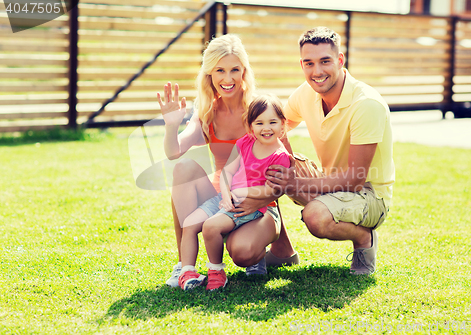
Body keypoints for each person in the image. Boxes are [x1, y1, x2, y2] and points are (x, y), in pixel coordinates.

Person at [157, 34, 297, 288]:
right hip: (219, 197)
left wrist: (262, 197)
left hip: (258, 202)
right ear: (209, 73)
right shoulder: (207, 112)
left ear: (244, 71)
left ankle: (257, 252)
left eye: (235, 70)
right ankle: (184, 267)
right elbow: (174, 151)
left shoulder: (261, 111)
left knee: (242, 252)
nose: (228, 78)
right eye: (220, 70)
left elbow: (287, 170)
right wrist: (171, 125)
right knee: (183, 168)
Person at [265, 27, 395, 275]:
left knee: (315, 217)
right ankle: (282, 251)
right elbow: (277, 126)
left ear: (340, 60)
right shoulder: (306, 92)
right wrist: (286, 162)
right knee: (274, 168)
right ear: (301, 64)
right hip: (330, 183)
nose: (317, 72)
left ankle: (364, 239)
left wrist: (298, 181)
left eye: (325, 61)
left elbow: (355, 179)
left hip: (369, 195)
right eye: (309, 63)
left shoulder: (366, 104)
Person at [176, 94, 290, 290]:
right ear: (250, 126)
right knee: (189, 223)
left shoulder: (280, 156)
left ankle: (216, 272)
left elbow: (273, 189)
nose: (266, 128)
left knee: (211, 227)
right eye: (259, 123)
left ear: (282, 125)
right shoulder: (245, 143)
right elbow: (228, 172)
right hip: (227, 198)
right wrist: (227, 194)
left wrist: (244, 192)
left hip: (251, 206)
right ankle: (187, 272)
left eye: (273, 122)